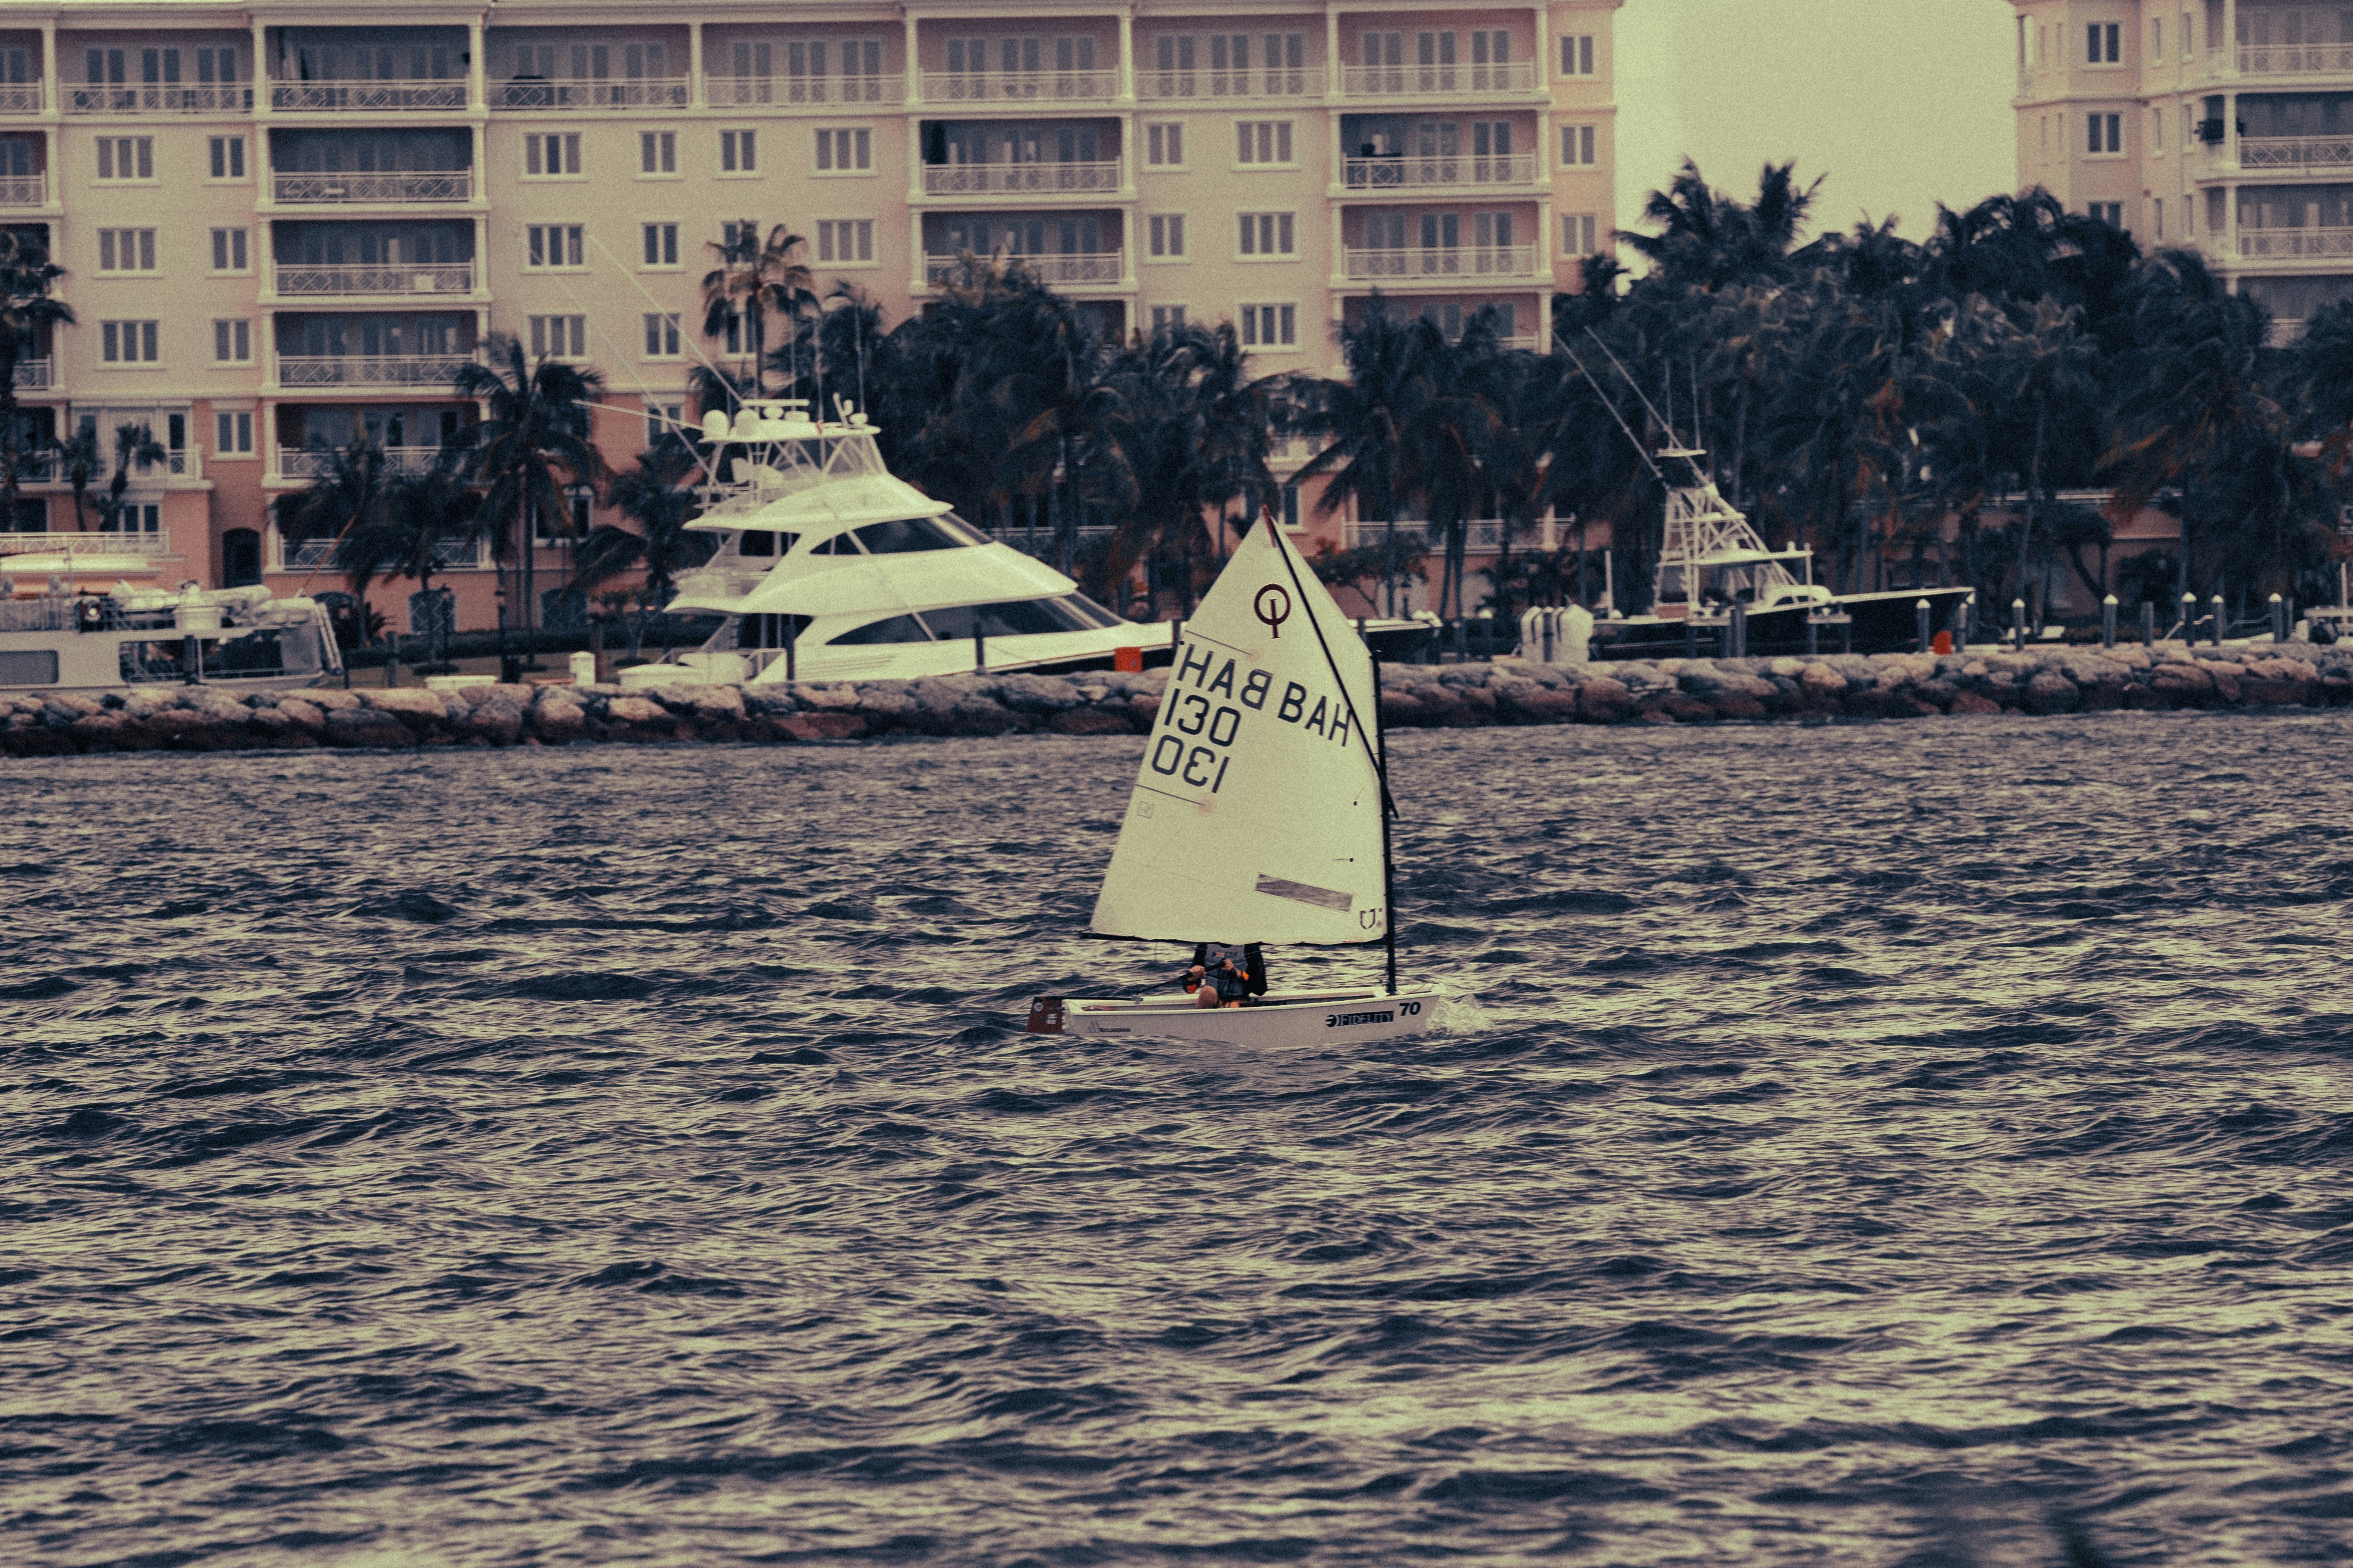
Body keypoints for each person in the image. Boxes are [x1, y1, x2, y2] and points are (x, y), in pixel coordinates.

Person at [1182, 943, 1268, 1009]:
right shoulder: (1205, 944)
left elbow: (1261, 989)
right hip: (1213, 1001)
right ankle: (1198, 1027)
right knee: (1207, 992)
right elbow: (1189, 991)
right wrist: (1192, 978)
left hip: (1239, 1002)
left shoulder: (1250, 946)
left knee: (1233, 1006)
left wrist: (1238, 974)